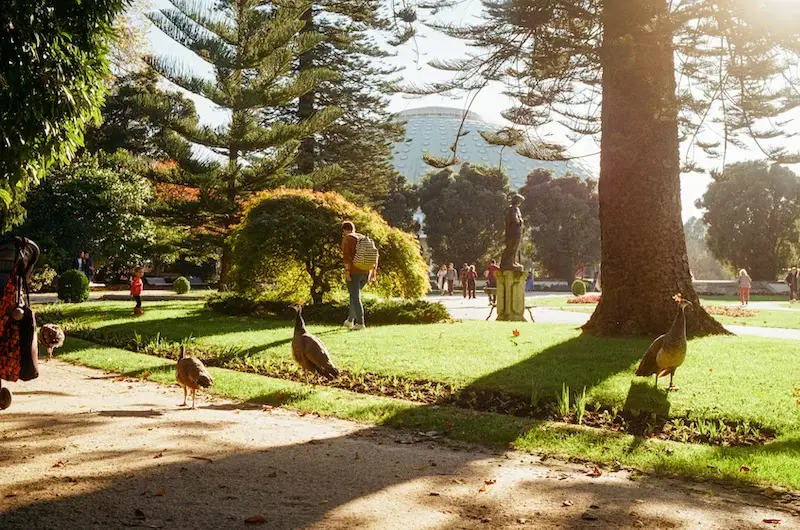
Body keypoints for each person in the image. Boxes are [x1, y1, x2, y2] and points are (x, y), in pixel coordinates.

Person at [341, 221, 376, 331]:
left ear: (344, 230)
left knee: (355, 297)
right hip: (366, 271)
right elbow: (375, 253)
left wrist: (347, 272)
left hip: (354, 271)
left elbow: (346, 257)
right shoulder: (363, 238)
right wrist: (373, 271)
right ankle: (350, 320)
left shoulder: (348, 238)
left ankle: (360, 323)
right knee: (354, 295)